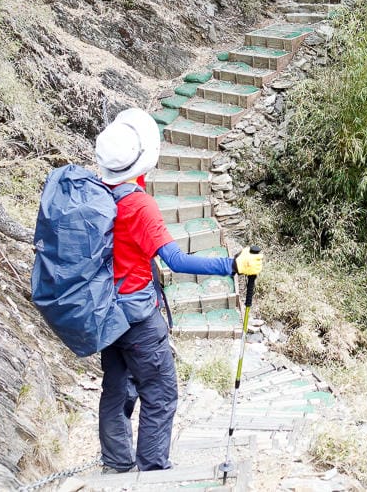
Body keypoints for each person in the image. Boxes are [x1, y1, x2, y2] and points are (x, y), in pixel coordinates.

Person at [92, 108, 262, 474]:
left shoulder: (94, 194)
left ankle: (117, 464)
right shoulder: (138, 204)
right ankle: (152, 471)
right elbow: (175, 260)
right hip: (137, 315)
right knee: (160, 391)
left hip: (105, 310)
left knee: (116, 388)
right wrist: (231, 264)